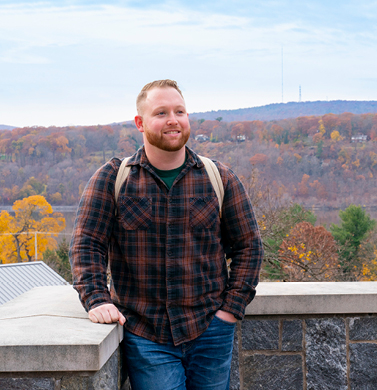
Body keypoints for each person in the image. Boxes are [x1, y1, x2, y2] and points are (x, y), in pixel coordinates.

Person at [70, 79, 263, 390]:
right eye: (161, 113)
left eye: (180, 111)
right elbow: (86, 245)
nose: (173, 120)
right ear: (140, 123)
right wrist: (95, 299)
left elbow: (249, 247)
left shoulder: (219, 178)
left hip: (210, 329)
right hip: (145, 333)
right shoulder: (114, 178)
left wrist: (230, 310)